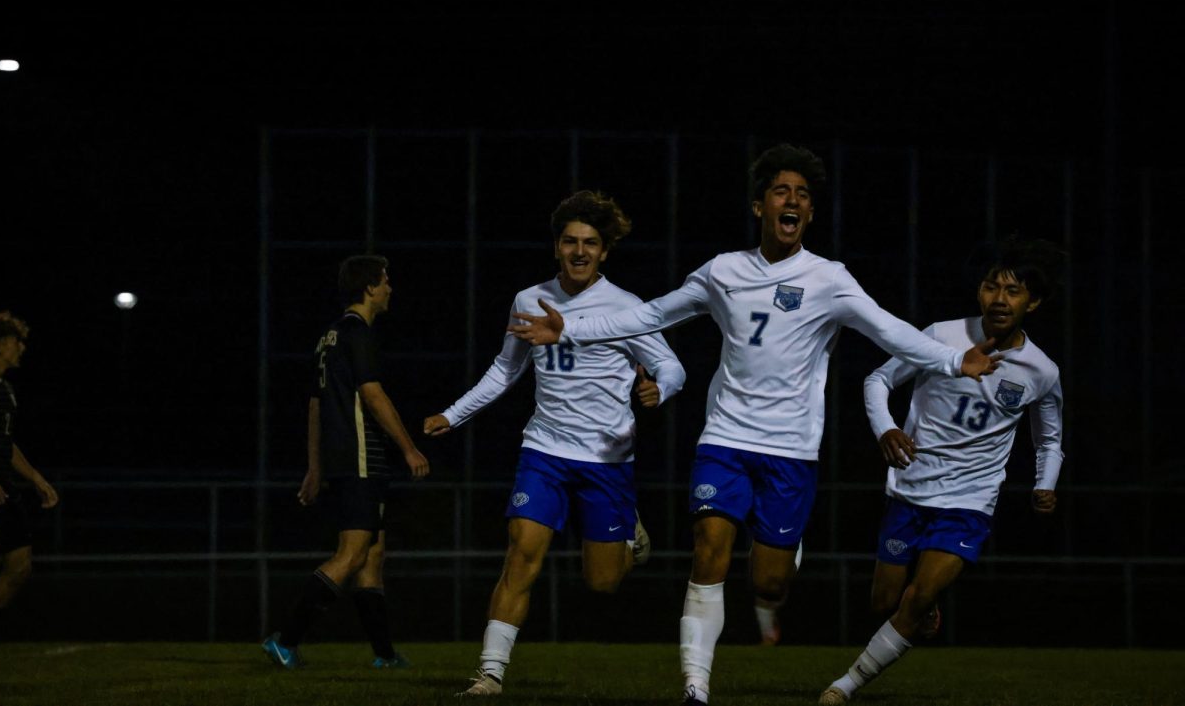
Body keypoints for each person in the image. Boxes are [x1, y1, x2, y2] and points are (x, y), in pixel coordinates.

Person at [508, 145, 1001, 705]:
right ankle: (696, 685)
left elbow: (889, 330)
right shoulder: (724, 270)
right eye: (781, 191)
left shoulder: (829, 279)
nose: (792, 201)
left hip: (791, 449)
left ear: (809, 215)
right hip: (725, 438)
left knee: (768, 584)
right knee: (708, 546)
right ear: (759, 206)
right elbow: (650, 315)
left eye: (803, 195)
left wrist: (952, 360)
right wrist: (567, 330)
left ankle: (784, 555)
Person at [423, 191, 686, 697]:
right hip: (543, 452)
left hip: (607, 460)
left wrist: (659, 387)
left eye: (590, 242)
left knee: (603, 582)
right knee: (522, 553)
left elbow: (673, 365)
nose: (580, 251)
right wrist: (453, 415)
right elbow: (506, 370)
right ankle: (490, 673)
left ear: (605, 251)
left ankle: (629, 532)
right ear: (557, 247)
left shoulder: (627, 307)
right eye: (570, 241)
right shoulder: (529, 299)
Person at [818, 237, 1065, 705]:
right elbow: (878, 379)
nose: (999, 298)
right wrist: (886, 430)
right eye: (992, 287)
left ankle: (843, 687)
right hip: (910, 488)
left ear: (1032, 302)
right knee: (884, 602)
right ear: (979, 293)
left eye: (1013, 291)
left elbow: (1049, 440)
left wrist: (1044, 484)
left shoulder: (1042, 371)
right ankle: (923, 608)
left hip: (970, 502)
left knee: (916, 597)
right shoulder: (940, 336)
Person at [262, 255, 429, 670]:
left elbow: (315, 408)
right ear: (370, 287)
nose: (390, 288)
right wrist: (409, 447)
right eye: (386, 281)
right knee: (353, 553)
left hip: (344, 459)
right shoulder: (357, 333)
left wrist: (315, 467)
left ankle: (384, 655)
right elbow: (372, 395)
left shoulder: (329, 337)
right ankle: (285, 640)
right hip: (361, 458)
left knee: (372, 554)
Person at [0, 312, 59, 659]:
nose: (22, 348)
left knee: (20, 565)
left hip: (4, 489)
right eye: (17, 341)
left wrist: (36, 478)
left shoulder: (5, 390)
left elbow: (6, 442)